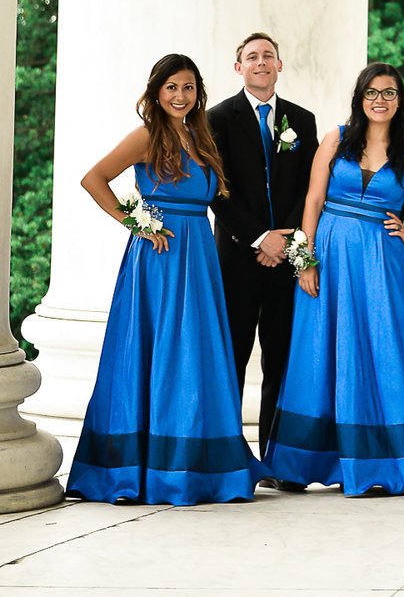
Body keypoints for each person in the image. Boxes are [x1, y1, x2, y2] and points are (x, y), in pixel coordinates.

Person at [65, 53, 258, 505]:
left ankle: (195, 464)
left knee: (195, 352)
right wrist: (136, 224)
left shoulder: (200, 137)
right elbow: (94, 179)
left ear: (198, 94)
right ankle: (144, 469)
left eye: (188, 87)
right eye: (171, 87)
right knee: (157, 350)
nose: (180, 95)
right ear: (156, 92)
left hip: (199, 257)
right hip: (160, 260)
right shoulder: (147, 135)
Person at [264, 61, 404, 494]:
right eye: (372, 93)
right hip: (328, 254)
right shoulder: (335, 139)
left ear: (399, 100)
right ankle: (300, 463)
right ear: (360, 98)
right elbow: (312, 200)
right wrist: (305, 258)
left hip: (382, 263)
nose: (380, 100)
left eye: (388, 93)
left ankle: (394, 466)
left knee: (385, 348)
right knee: (319, 351)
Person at [204, 30, 317, 449]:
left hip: (286, 260)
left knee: (282, 358)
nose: (261, 62)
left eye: (269, 55)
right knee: (230, 356)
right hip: (235, 258)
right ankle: (228, 451)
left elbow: (310, 186)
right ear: (239, 68)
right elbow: (217, 189)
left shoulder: (301, 120)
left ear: (279, 65)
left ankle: (275, 454)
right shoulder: (216, 119)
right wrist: (257, 238)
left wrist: (284, 242)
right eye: (252, 57)